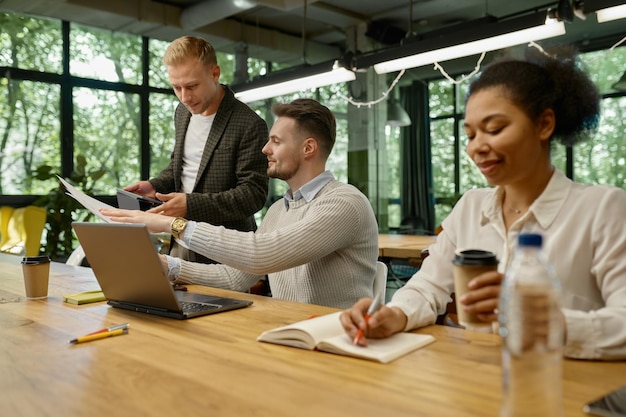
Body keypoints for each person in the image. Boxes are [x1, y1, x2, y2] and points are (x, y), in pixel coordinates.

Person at [340, 46, 626, 360]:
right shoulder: (472, 207)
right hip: (479, 381)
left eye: (494, 129)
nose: (477, 148)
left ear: (544, 124)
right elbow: (428, 287)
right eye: (471, 135)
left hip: (563, 387)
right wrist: (394, 315)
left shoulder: (603, 209)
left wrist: (535, 318)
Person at [102, 98, 379, 309]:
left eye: (276, 141)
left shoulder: (344, 204)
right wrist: (169, 266)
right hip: (292, 336)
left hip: (338, 347)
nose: (265, 149)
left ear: (308, 148)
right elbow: (237, 278)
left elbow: (261, 255)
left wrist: (172, 224)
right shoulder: (278, 210)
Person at [124, 36, 268, 263]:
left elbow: (253, 195)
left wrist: (190, 205)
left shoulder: (250, 124)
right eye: (176, 87)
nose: (184, 97)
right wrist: (154, 185)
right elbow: (179, 166)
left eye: (191, 86)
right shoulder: (182, 113)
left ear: (215, 73)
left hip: (226, 250)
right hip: (180, 238)